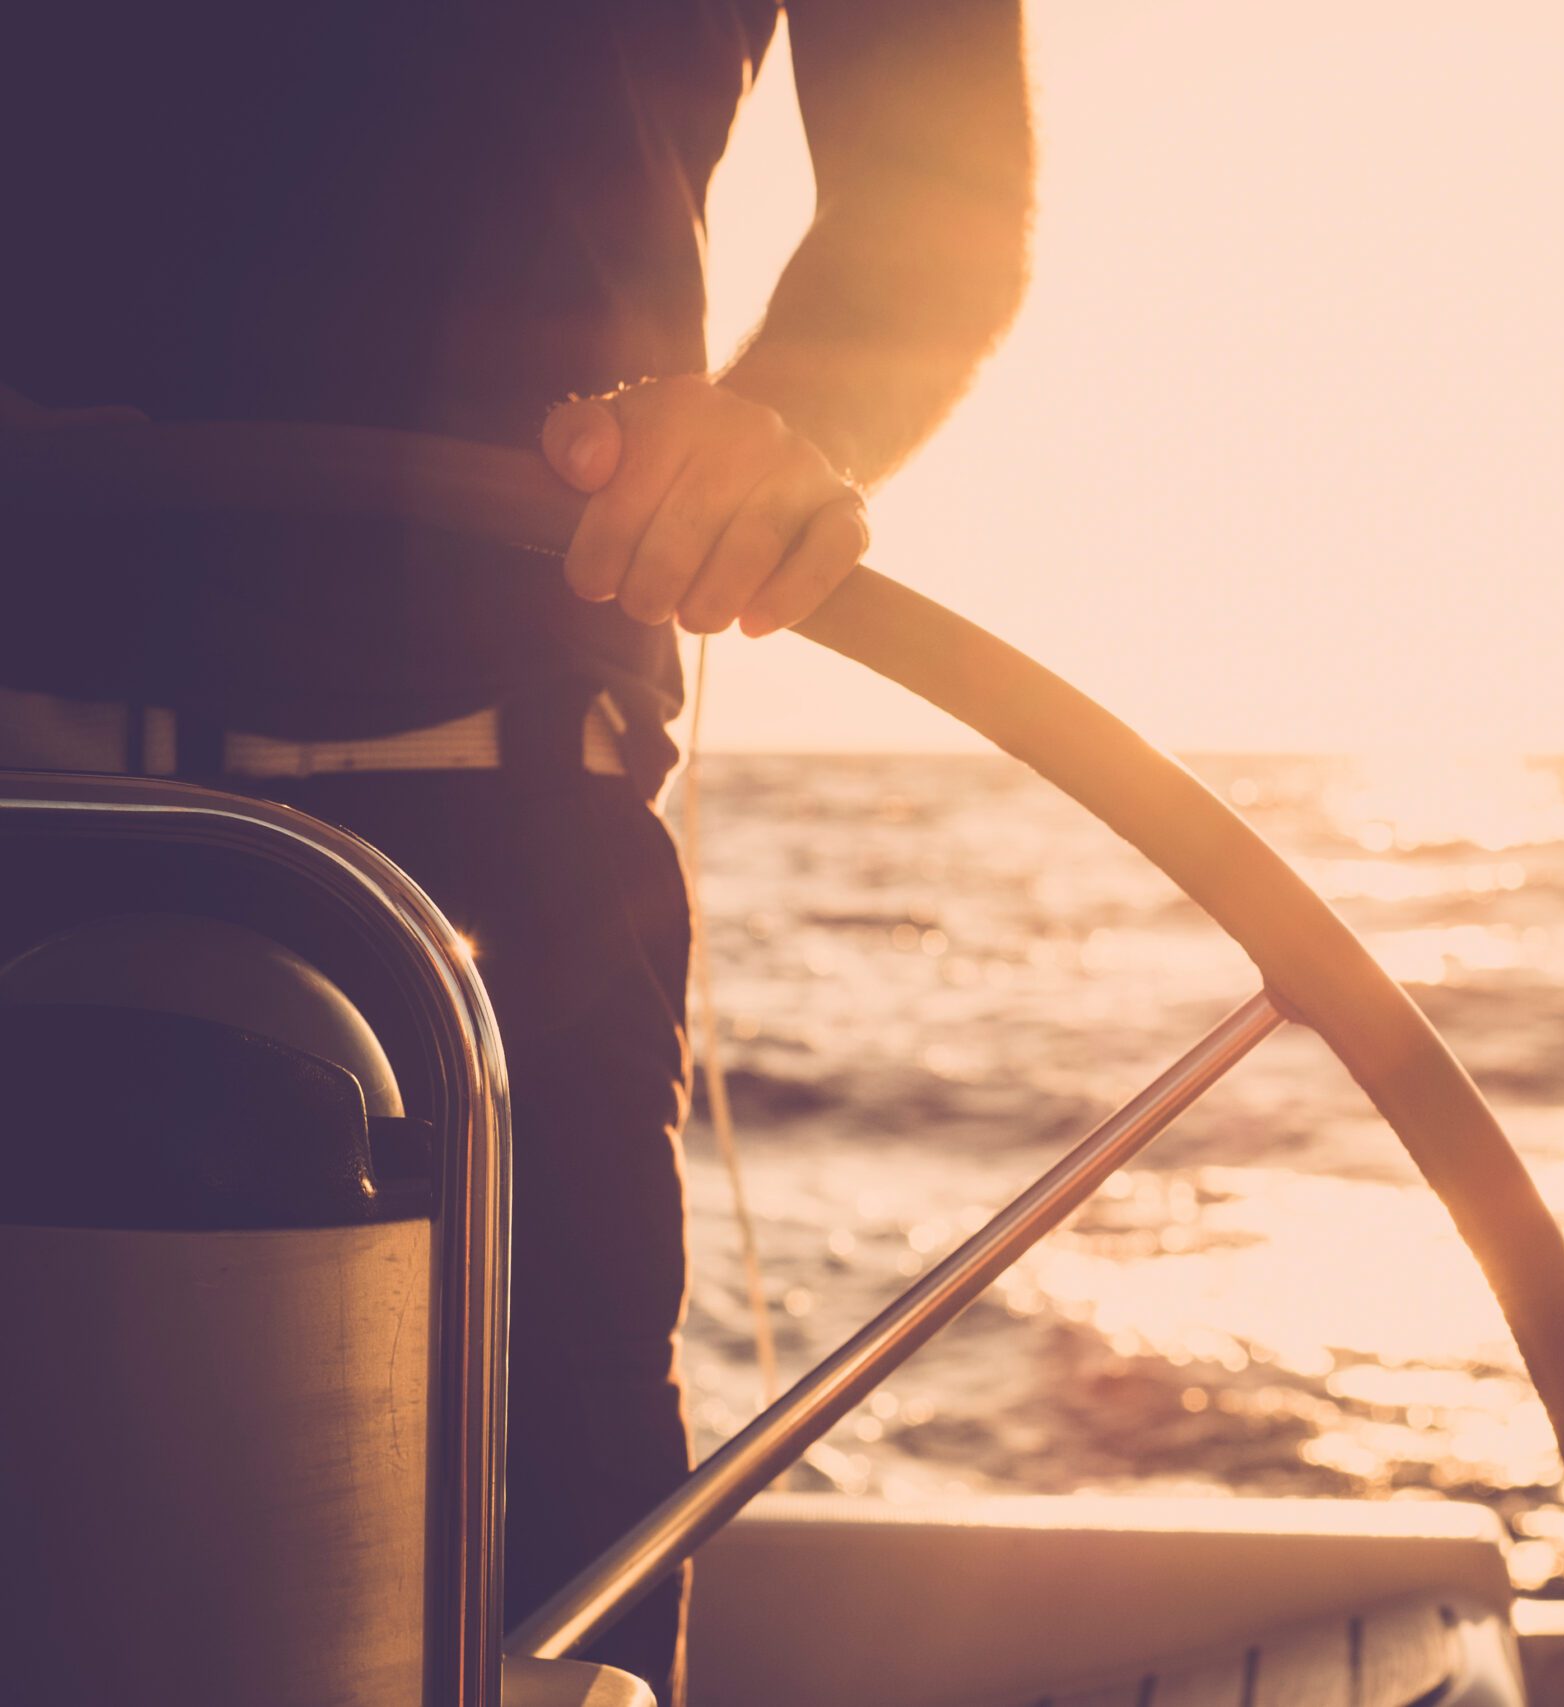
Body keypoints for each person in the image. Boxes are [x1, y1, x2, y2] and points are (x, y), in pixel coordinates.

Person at [0, 4, 1033, 1700]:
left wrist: (786, 429)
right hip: (25, 808)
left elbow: (941, 210)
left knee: (556, 1595)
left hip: (522, 876)